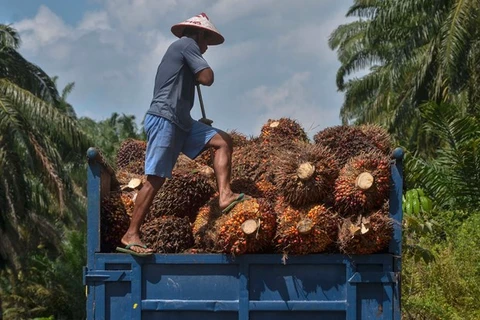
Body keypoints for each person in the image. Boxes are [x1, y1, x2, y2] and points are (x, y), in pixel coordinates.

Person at [117, 13, 245, 256]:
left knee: (222, 141)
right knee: (156, 178)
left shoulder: (185, 53)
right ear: (200, 35)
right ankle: (131, 234)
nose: (206, 48)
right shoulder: (187, 45)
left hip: (182, 122)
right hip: (165, 118)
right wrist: (199, 69)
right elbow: (207, 78)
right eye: (207, 42)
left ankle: (225, 195)